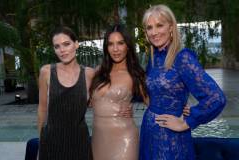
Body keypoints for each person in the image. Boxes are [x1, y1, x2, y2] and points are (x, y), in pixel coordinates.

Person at [139, 4, 226, 160]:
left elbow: (216, 98)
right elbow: (155, 93)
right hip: (149, 132)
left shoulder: (182, 58)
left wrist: (187, 121)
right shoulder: (152, 59)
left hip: (170, 137)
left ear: (171, 27)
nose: (154, 32)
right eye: (149, 28)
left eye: (159, 25)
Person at [89, 24, 148, 160]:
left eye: (120, 43)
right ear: (106, 47)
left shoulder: (136, 74)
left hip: (124, 138)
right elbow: (89, 102)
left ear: (128, 46)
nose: (115, 49)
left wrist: (176, 108)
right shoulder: (98, 72)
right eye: (110, 44)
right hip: (99, 139)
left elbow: (152, 103)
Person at [37, 26, 94, 160]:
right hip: (51, 143)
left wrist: (120, 110)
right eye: (57, 46)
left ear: (76, 44)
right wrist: (41, 144)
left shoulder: (89, 74)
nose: (62, 50)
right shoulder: (46, 72)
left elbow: (98, 102)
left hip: (80, 143)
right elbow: (42, 109)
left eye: (66, 44)